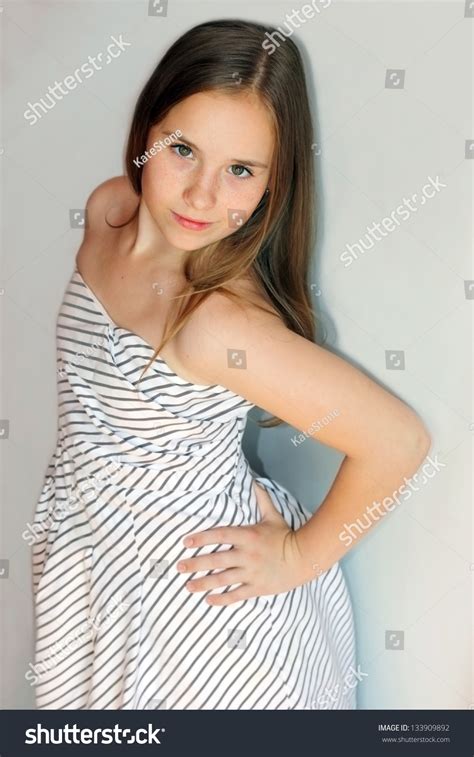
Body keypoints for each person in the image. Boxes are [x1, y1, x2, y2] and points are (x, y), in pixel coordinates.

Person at [30, 19, 431, 710]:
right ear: (147, 132)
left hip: (198, 622)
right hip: (98, 574)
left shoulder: (214, 322)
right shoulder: (110, 211)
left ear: (275, 183)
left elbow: (398, 441)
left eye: (240, 170)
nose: (202, 195)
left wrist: (296, 557)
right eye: (183, 149)